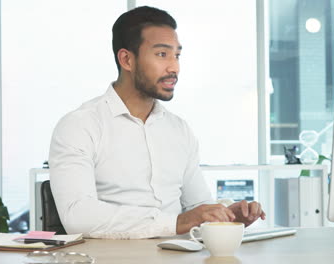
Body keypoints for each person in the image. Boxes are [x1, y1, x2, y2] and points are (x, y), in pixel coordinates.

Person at [49, 6, 265, 239]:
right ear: (126, 59)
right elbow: (78, 217)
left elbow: (198, 206)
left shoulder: (179, 130)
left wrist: (225, 217)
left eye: (177, 55)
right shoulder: (79, 126)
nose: (174, 67)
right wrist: (177, 222)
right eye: (162, 54)